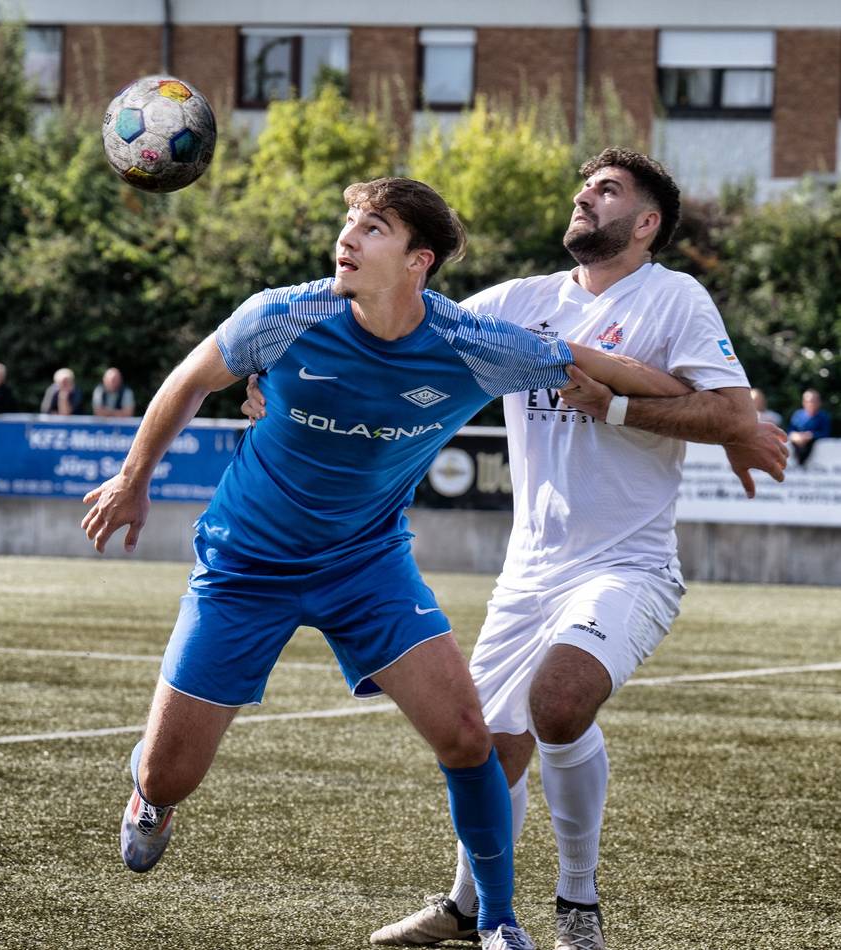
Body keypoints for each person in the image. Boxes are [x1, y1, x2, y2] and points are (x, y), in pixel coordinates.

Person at [81, 177, 695, 950]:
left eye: (372, 229)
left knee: (468, 736)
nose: (347, 239)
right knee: (173, 774)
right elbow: (190, 380)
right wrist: (134, 481)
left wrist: (694, 403)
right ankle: (149, 793)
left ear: (418, 261)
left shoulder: (471, 344)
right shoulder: (283, 313)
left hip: (367, 567)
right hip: (245, 567)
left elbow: (590, 360)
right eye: (349, 223)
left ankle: (498, 921)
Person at [244, 152, 788, 950]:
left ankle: (579, 907)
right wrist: (275, 369)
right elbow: (400, 322)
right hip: (528, 572)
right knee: (485, 758)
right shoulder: (521, 304)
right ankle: (468, 907)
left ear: (646, 225)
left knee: (560, 704)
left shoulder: (676, 297)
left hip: (627, 564)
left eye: (605, 191)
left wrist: (619, 406)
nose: (582, 196)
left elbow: (731, 412)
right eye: (584, 185)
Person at [787, 388, 831, 466]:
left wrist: (811, 435)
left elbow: (825, 433)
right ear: (803, 402)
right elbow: (790, 431)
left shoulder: (824, 416)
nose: (811, 403)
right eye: (808, 401)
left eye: (814, 401)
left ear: (819, 402)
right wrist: (796, 436)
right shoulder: (797, 415)